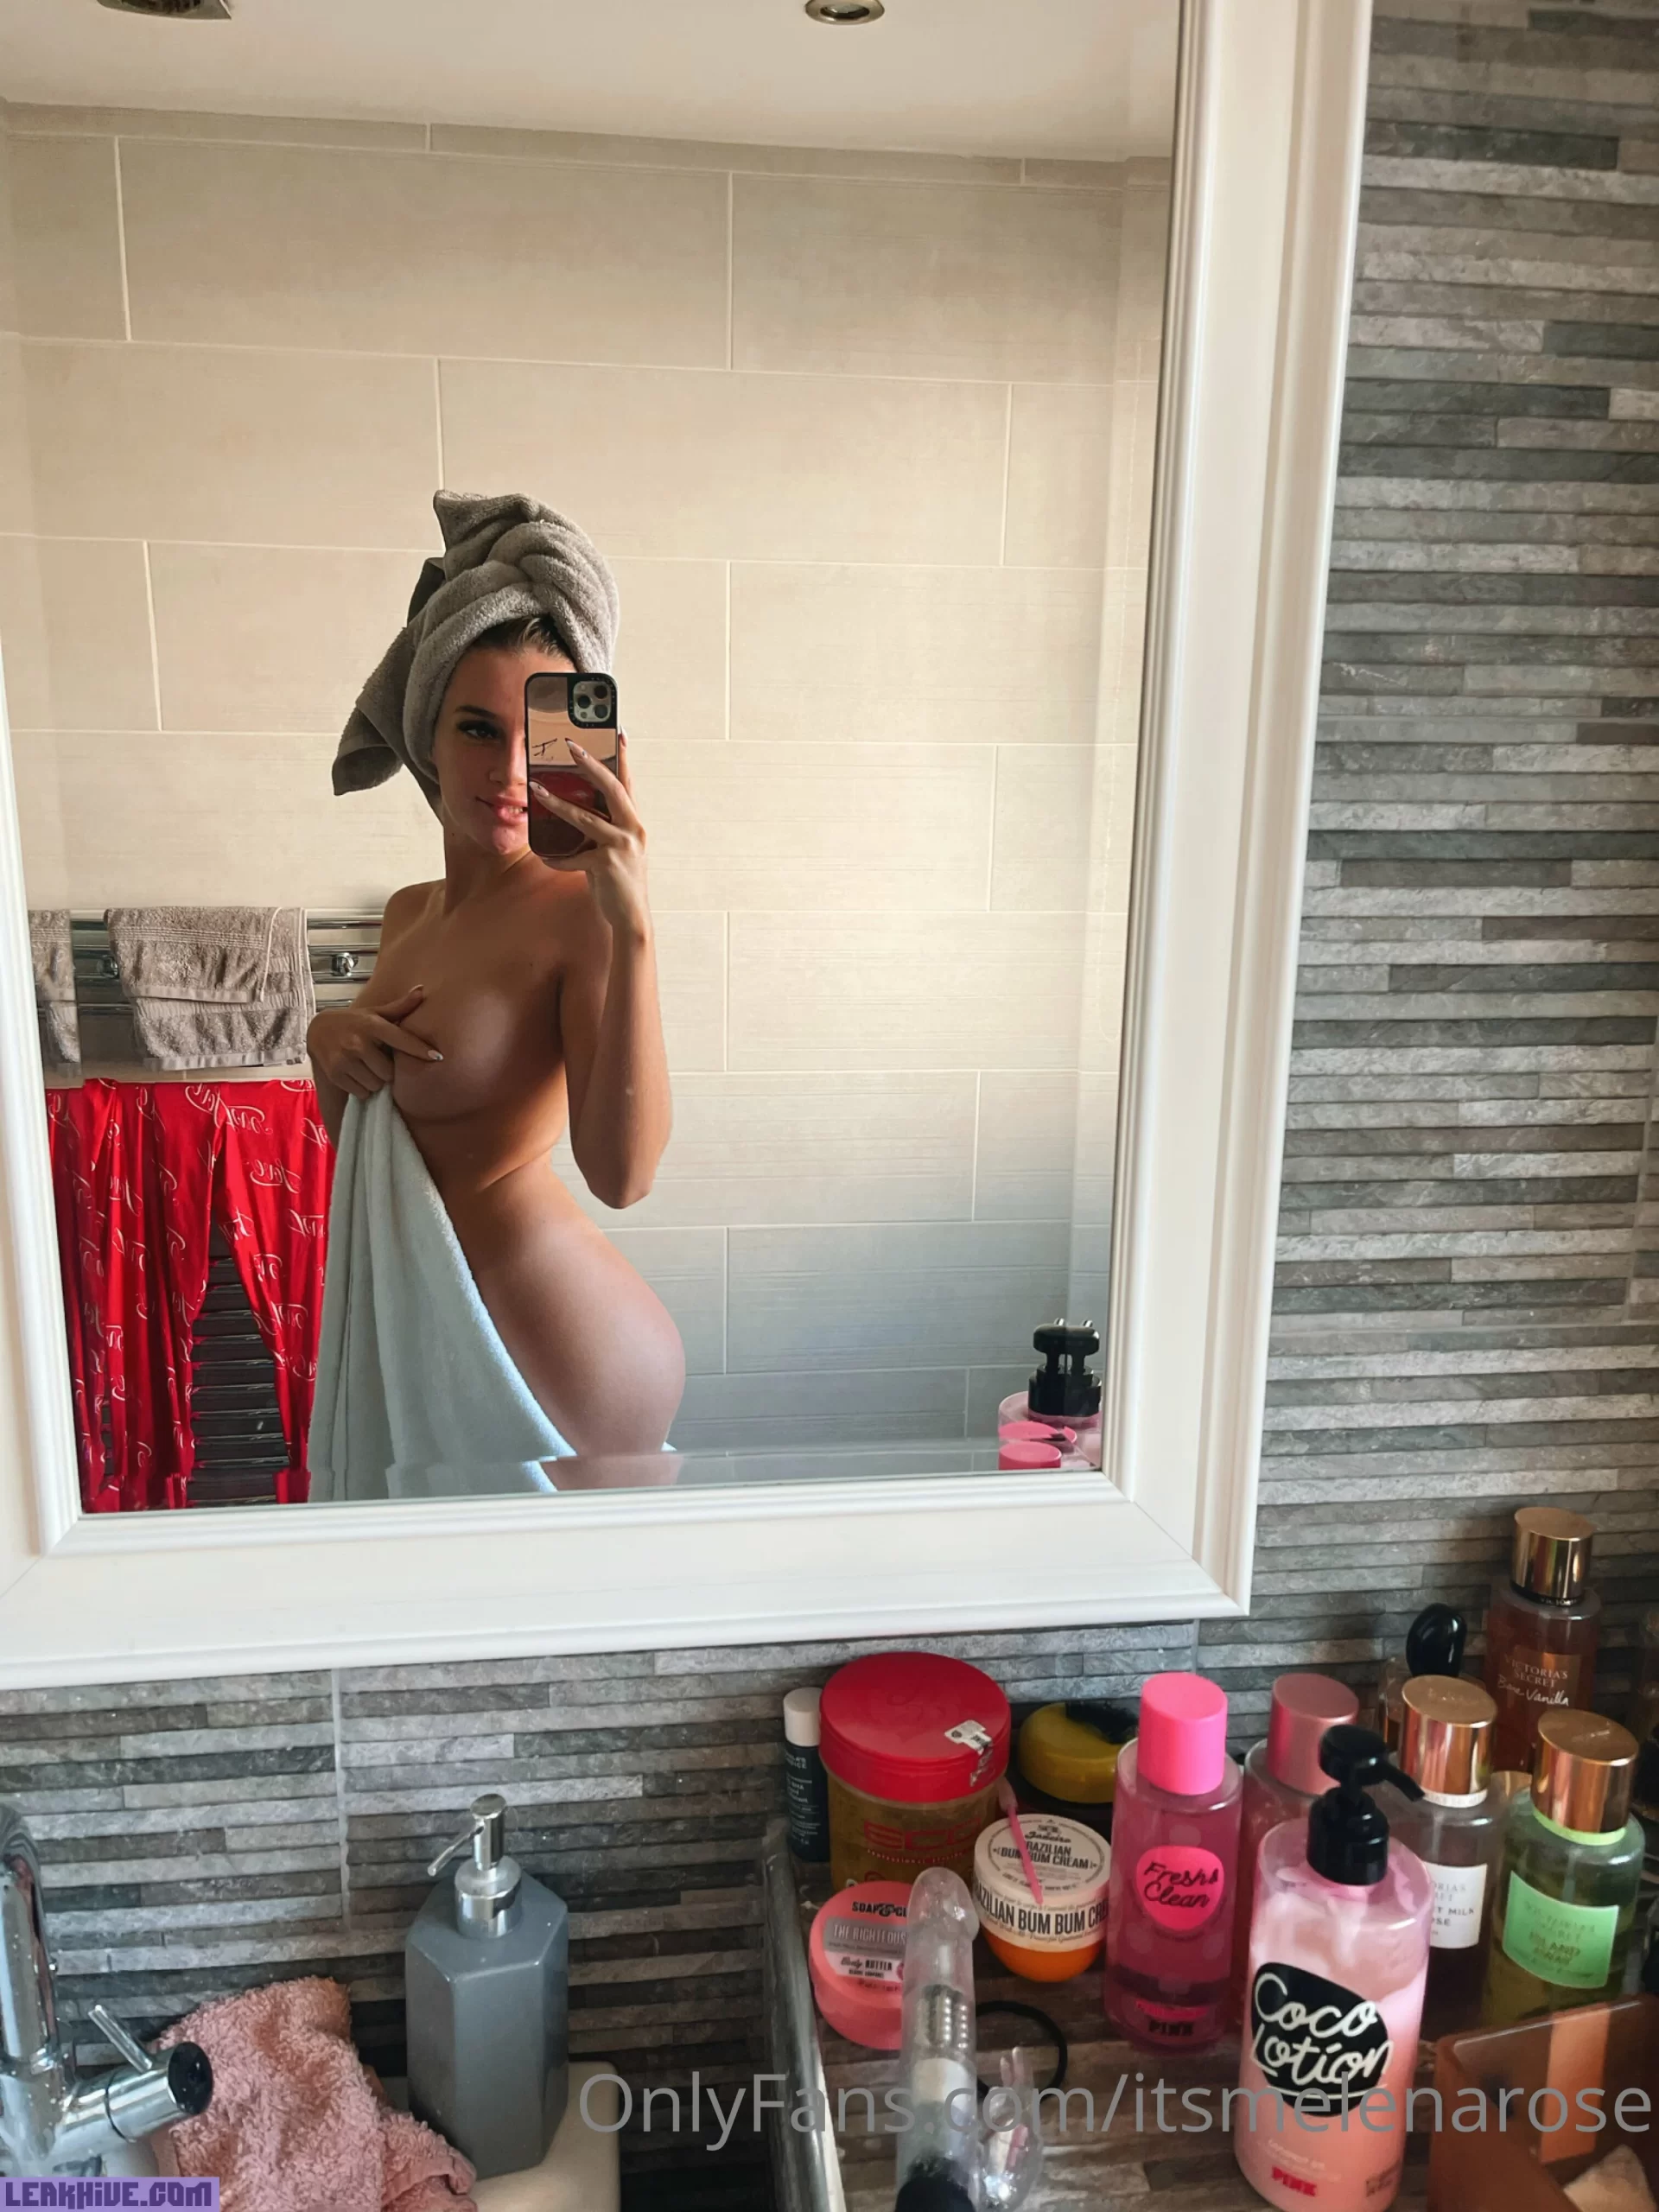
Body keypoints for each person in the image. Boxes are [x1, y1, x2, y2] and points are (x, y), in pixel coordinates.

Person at [306, 493, 684, 1481]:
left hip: (569, 1360)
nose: (511, 770)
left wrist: (633, 928)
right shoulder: (405, 915)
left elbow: (625, 1177)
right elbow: (378, 1157)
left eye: (538, 737)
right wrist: (325, 1045)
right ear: (426, 737)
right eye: (477, 729)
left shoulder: (578, 914)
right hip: (451, 1349)